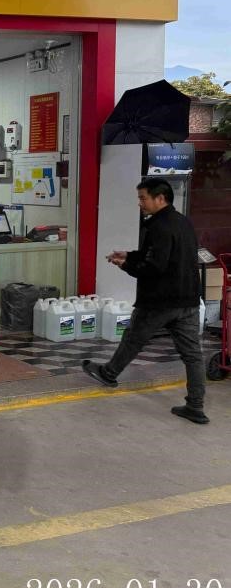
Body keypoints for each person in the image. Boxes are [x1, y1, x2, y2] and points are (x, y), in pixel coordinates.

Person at [82, 178, 207, 424]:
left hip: (159, 301)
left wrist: (125, 265)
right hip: (188, 300)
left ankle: (109, 373)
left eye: (143, 198)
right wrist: (130, 255)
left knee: (133, 339)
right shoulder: (183, 221)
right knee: (193, 355)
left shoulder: (158, 226)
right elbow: (162, 255)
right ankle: (196, 406)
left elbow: (154, 266)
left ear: (160, 198)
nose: (140, 203)